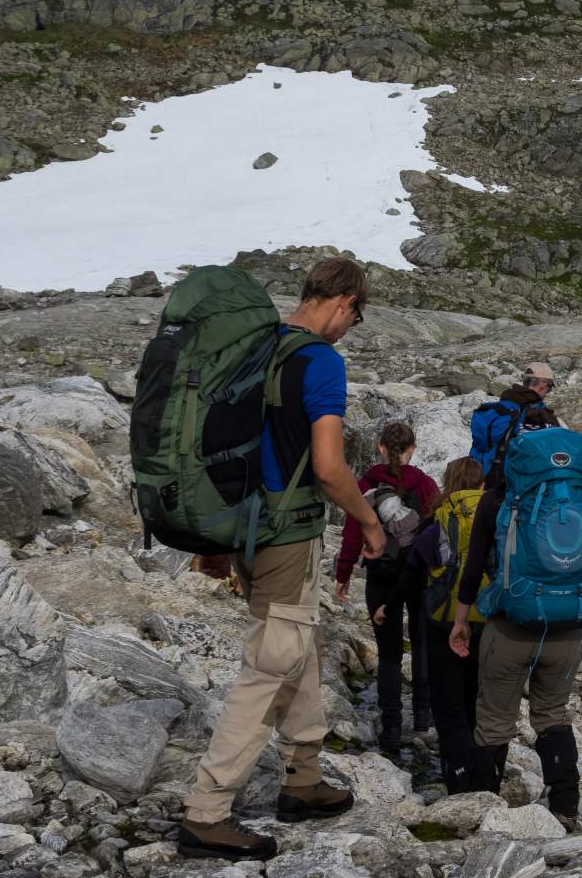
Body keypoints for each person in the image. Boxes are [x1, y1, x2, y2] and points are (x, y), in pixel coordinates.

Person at [178, 258, 386, 863]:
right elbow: (327, 468)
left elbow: (216, 444)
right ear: (344, 301)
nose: (351, 327)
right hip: (287, 532)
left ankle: (303, 777)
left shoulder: (251, 347)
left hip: (239, 526)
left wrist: (215, 542)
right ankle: (207, 812)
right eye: (357, 315)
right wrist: (367, 520)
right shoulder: (319, 360)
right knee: (274, 659)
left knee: (298, 641)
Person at [450, 407, 582, 823]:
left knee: (494, 722)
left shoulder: (498, 497)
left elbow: (473, 568)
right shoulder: (581, 495)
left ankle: (482, 810)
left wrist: (460, 621)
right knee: (553, 715)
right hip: (569, 625)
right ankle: (565, 807)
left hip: (511, 624)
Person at [335, 421, 439, 749]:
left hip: (381, 572)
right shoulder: (424, 483)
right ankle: (424, 717)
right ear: (413, 450)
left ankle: (391, 727)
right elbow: (437, 529)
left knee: (390, 653)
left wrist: (344, 574)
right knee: (422, 644)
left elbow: (353, 533)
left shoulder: (364, 484)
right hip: (419, 572)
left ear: (379, 447)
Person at [413, 457, 486, 794]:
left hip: (443, 619)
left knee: (447, 702)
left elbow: (414, 565)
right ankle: (481, 773)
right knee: (475, 697)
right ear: (481, 485)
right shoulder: (497, 517)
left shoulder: (438, 520)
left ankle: (457, 777)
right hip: (487, 619)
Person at [466, 363, 554, 469]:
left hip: (480, 475)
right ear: (543, 384)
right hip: (510, 480)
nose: (548, 392)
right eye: (550, 388)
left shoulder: (503, 406)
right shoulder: (538, 413)